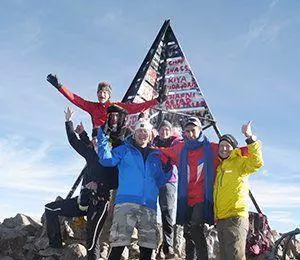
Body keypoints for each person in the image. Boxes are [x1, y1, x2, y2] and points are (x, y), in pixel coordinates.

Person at [44, 107, 118, 260]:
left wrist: (99, 186)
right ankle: (56, 244)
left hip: (99, 204)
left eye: (99, 138)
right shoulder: (90, 154)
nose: (96, 141)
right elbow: (73, 140)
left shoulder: (112, 159)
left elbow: (115, 181)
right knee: (50, 209)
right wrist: (68, 121)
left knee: (91, 242)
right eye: (94, 138)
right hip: (83, 200)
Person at [97, 118, 172, 260]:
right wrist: (103, 135)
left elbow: (160, 181)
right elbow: (106, 160)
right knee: (118, 245)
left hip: (149, 206)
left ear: (150, 135)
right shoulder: (124, 150)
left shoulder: (156, 155)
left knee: (147, 248)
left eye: (145, 131)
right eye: (139, 131)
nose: (142, 134)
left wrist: (167, 171)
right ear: (134, 133)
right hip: (126, 203)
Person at [158, 117, 219, 260]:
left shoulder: (211, 147)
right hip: (186, 197)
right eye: (187, 131)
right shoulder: (181, 148)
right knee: (187, 231)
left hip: (202, 197)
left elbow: (230, 151)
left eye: (193, 130)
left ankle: (203, 257)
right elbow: (164, 152)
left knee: (196, 228)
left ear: (200, 130)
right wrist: (146, 149)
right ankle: (190, 257)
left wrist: (250, 140)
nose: (190, 134)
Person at [214, 121, 264, 260]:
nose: (224, 149)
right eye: (221, 146)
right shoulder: (220, 168)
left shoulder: (240, 162)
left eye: (227, 146)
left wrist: (249, 136)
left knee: (235, 256)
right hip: (221, 220)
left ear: (234, 148)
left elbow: (257, 162)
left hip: (235, 218)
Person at [46, 74, 168, 128]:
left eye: (104, 92)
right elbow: (76, 99)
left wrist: (157, 100)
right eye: (99, 92)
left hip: (115, 140)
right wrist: (59, 86)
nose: (101, 94)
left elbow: (137, 107)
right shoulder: (92, 107)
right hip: (98, 140)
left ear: (109, 95)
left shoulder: (117, 106)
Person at [152, 120, 180, 259]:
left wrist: (160, 151)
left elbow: (177, 152)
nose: (164, 132)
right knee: (149, 211)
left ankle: (168, 246)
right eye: (162, 129)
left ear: (171, 131)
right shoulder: (152, 141)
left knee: (167, 212)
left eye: (167, 130)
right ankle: (151, 245)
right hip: (153, 180)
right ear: (158, 130)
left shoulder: (176, 142)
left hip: (169, 181)